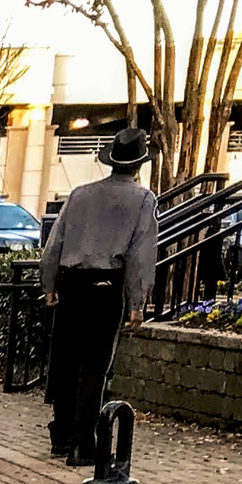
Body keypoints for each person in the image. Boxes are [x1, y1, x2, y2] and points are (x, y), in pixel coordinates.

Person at [40, 125, 161, 465]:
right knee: (94, 366)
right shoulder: (143, 200)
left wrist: (49, 286)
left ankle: (60, 434)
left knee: (64, 360)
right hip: (105, 286)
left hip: (70, 282)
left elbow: (54, 244)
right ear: (139, 165)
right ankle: (83, 443)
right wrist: (137, 303)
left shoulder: (79, 194)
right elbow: (141, 255)